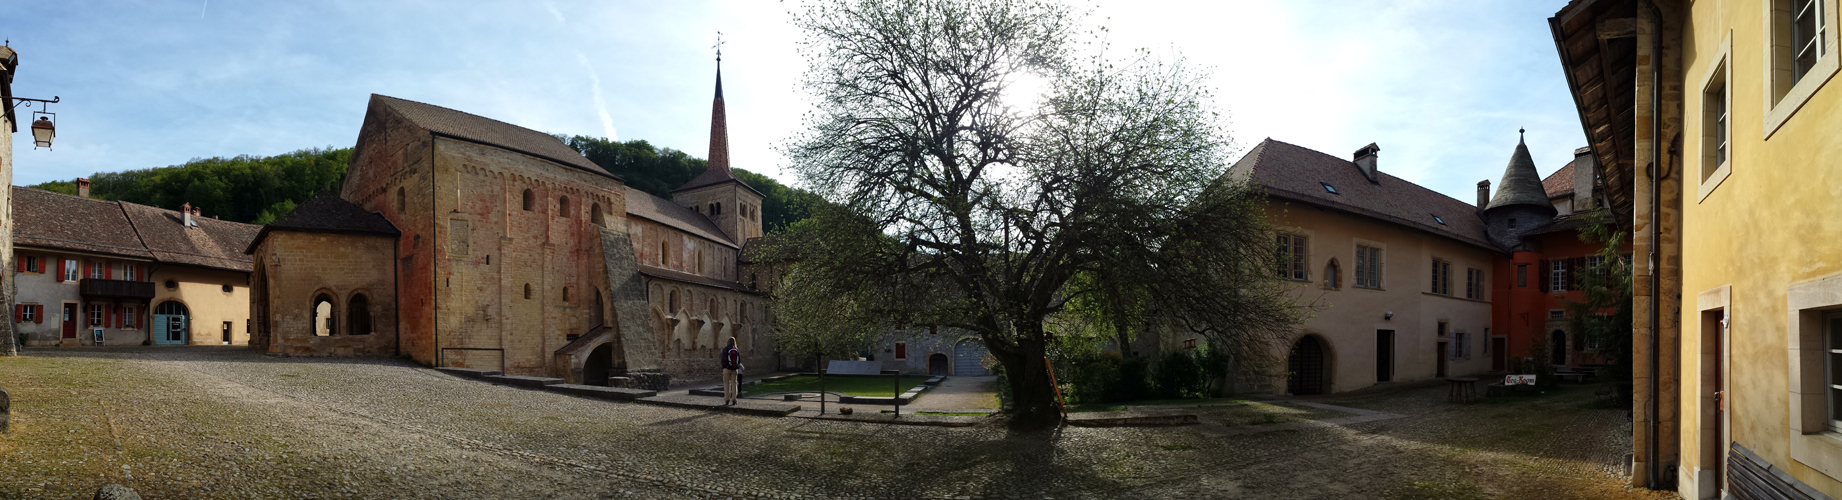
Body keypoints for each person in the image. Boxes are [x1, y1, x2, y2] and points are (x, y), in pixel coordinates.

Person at [721, 337, 743, 406]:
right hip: (734, 369)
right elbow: (739, 360)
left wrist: (724, 366)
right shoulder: (736, 349)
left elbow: (722, 359)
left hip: (726, 369)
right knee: (734, 383)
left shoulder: (725, 349)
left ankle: (727, 399)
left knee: (726, 384)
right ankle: (734, 399)